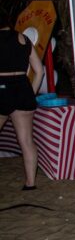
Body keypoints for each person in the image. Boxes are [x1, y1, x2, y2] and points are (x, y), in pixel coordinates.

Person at [0, 22, 44, 190]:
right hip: (22, 89)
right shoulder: (24, 39)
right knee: (26, 141)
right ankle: (30, 183)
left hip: (1, 88)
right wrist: (31, 94)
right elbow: (39, 71)